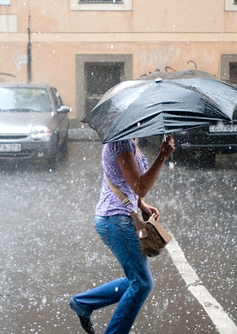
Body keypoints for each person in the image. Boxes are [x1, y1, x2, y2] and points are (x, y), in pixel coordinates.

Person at [70, 135, 175, 334]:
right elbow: (140, 186)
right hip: (115, 220)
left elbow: (123, 180)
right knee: (142, 283)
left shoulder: (130, 141)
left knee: (135, 280)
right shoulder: (120, 143)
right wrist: (162, 156)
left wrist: (140, 204)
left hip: (120, 216)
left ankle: (83, 302)